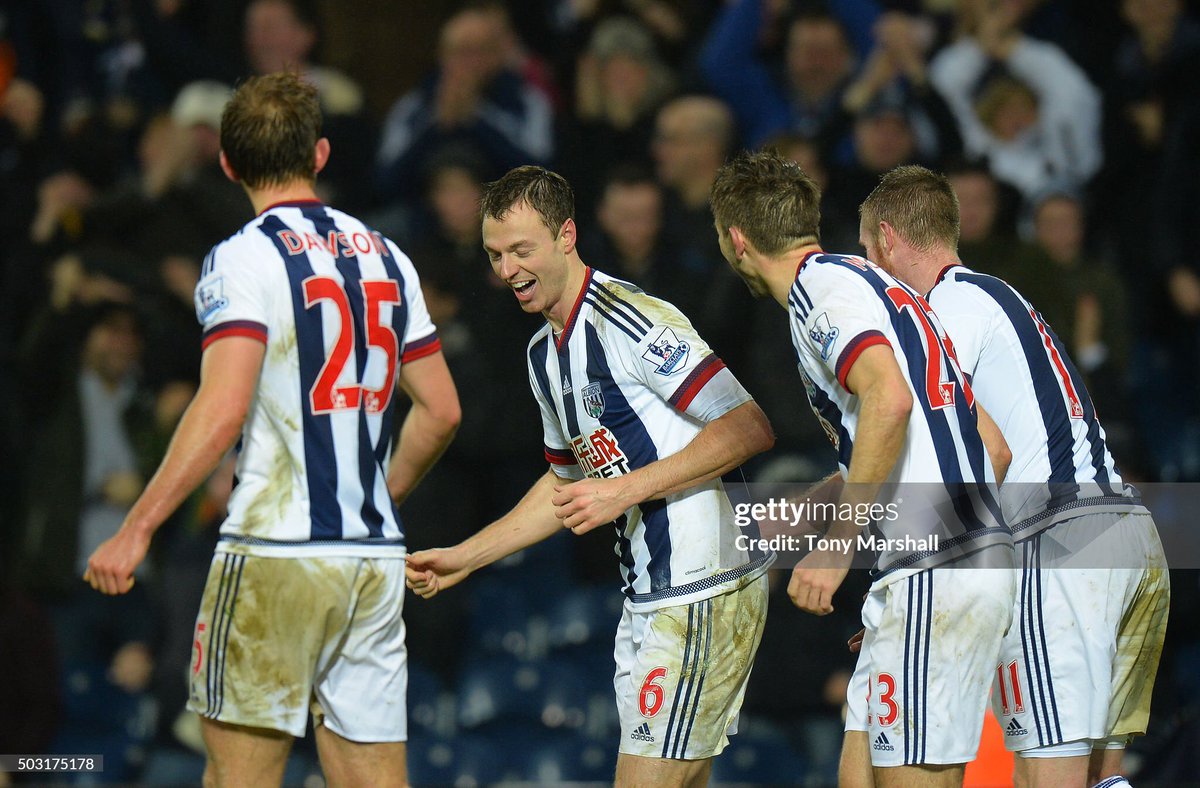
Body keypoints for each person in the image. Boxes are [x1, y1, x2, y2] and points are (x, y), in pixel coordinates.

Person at [83, 72, 461, 788]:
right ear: (319, 154)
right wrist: (377, 499)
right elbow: (441, 410)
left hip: (274, 551)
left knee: (238, 779)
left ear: (227, 164)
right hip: (370, 560)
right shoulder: (388, 256)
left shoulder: (243, 257)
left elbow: (221, 407)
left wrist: (137, 527)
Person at [405, 165, 776, 786]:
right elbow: (564, 485)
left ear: (567, 235)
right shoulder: (541, 354)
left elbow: (747, 426)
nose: (507, 270)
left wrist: (622, 490)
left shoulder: (632, 320)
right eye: (496, 254)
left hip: (704, 583)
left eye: (522, 250)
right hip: (648, 597)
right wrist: (468, 556)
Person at [709, 150, 1015, 787]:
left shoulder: (820, 292)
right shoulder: (882, 289)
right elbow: (988, 443)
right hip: (932, 569)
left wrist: (841, 549)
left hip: (935, 566)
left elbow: (891, 400)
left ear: (736, 241)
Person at [857, 165, 1169, 788]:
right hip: (1130, 536)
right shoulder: (1004, 298)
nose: (869, 268)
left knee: (1046, 773)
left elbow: (989, 454)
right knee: (1103, 777)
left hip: (1060, 544)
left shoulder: (940, 311)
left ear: (888, 238)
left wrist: (914, 571)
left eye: (867, 251)